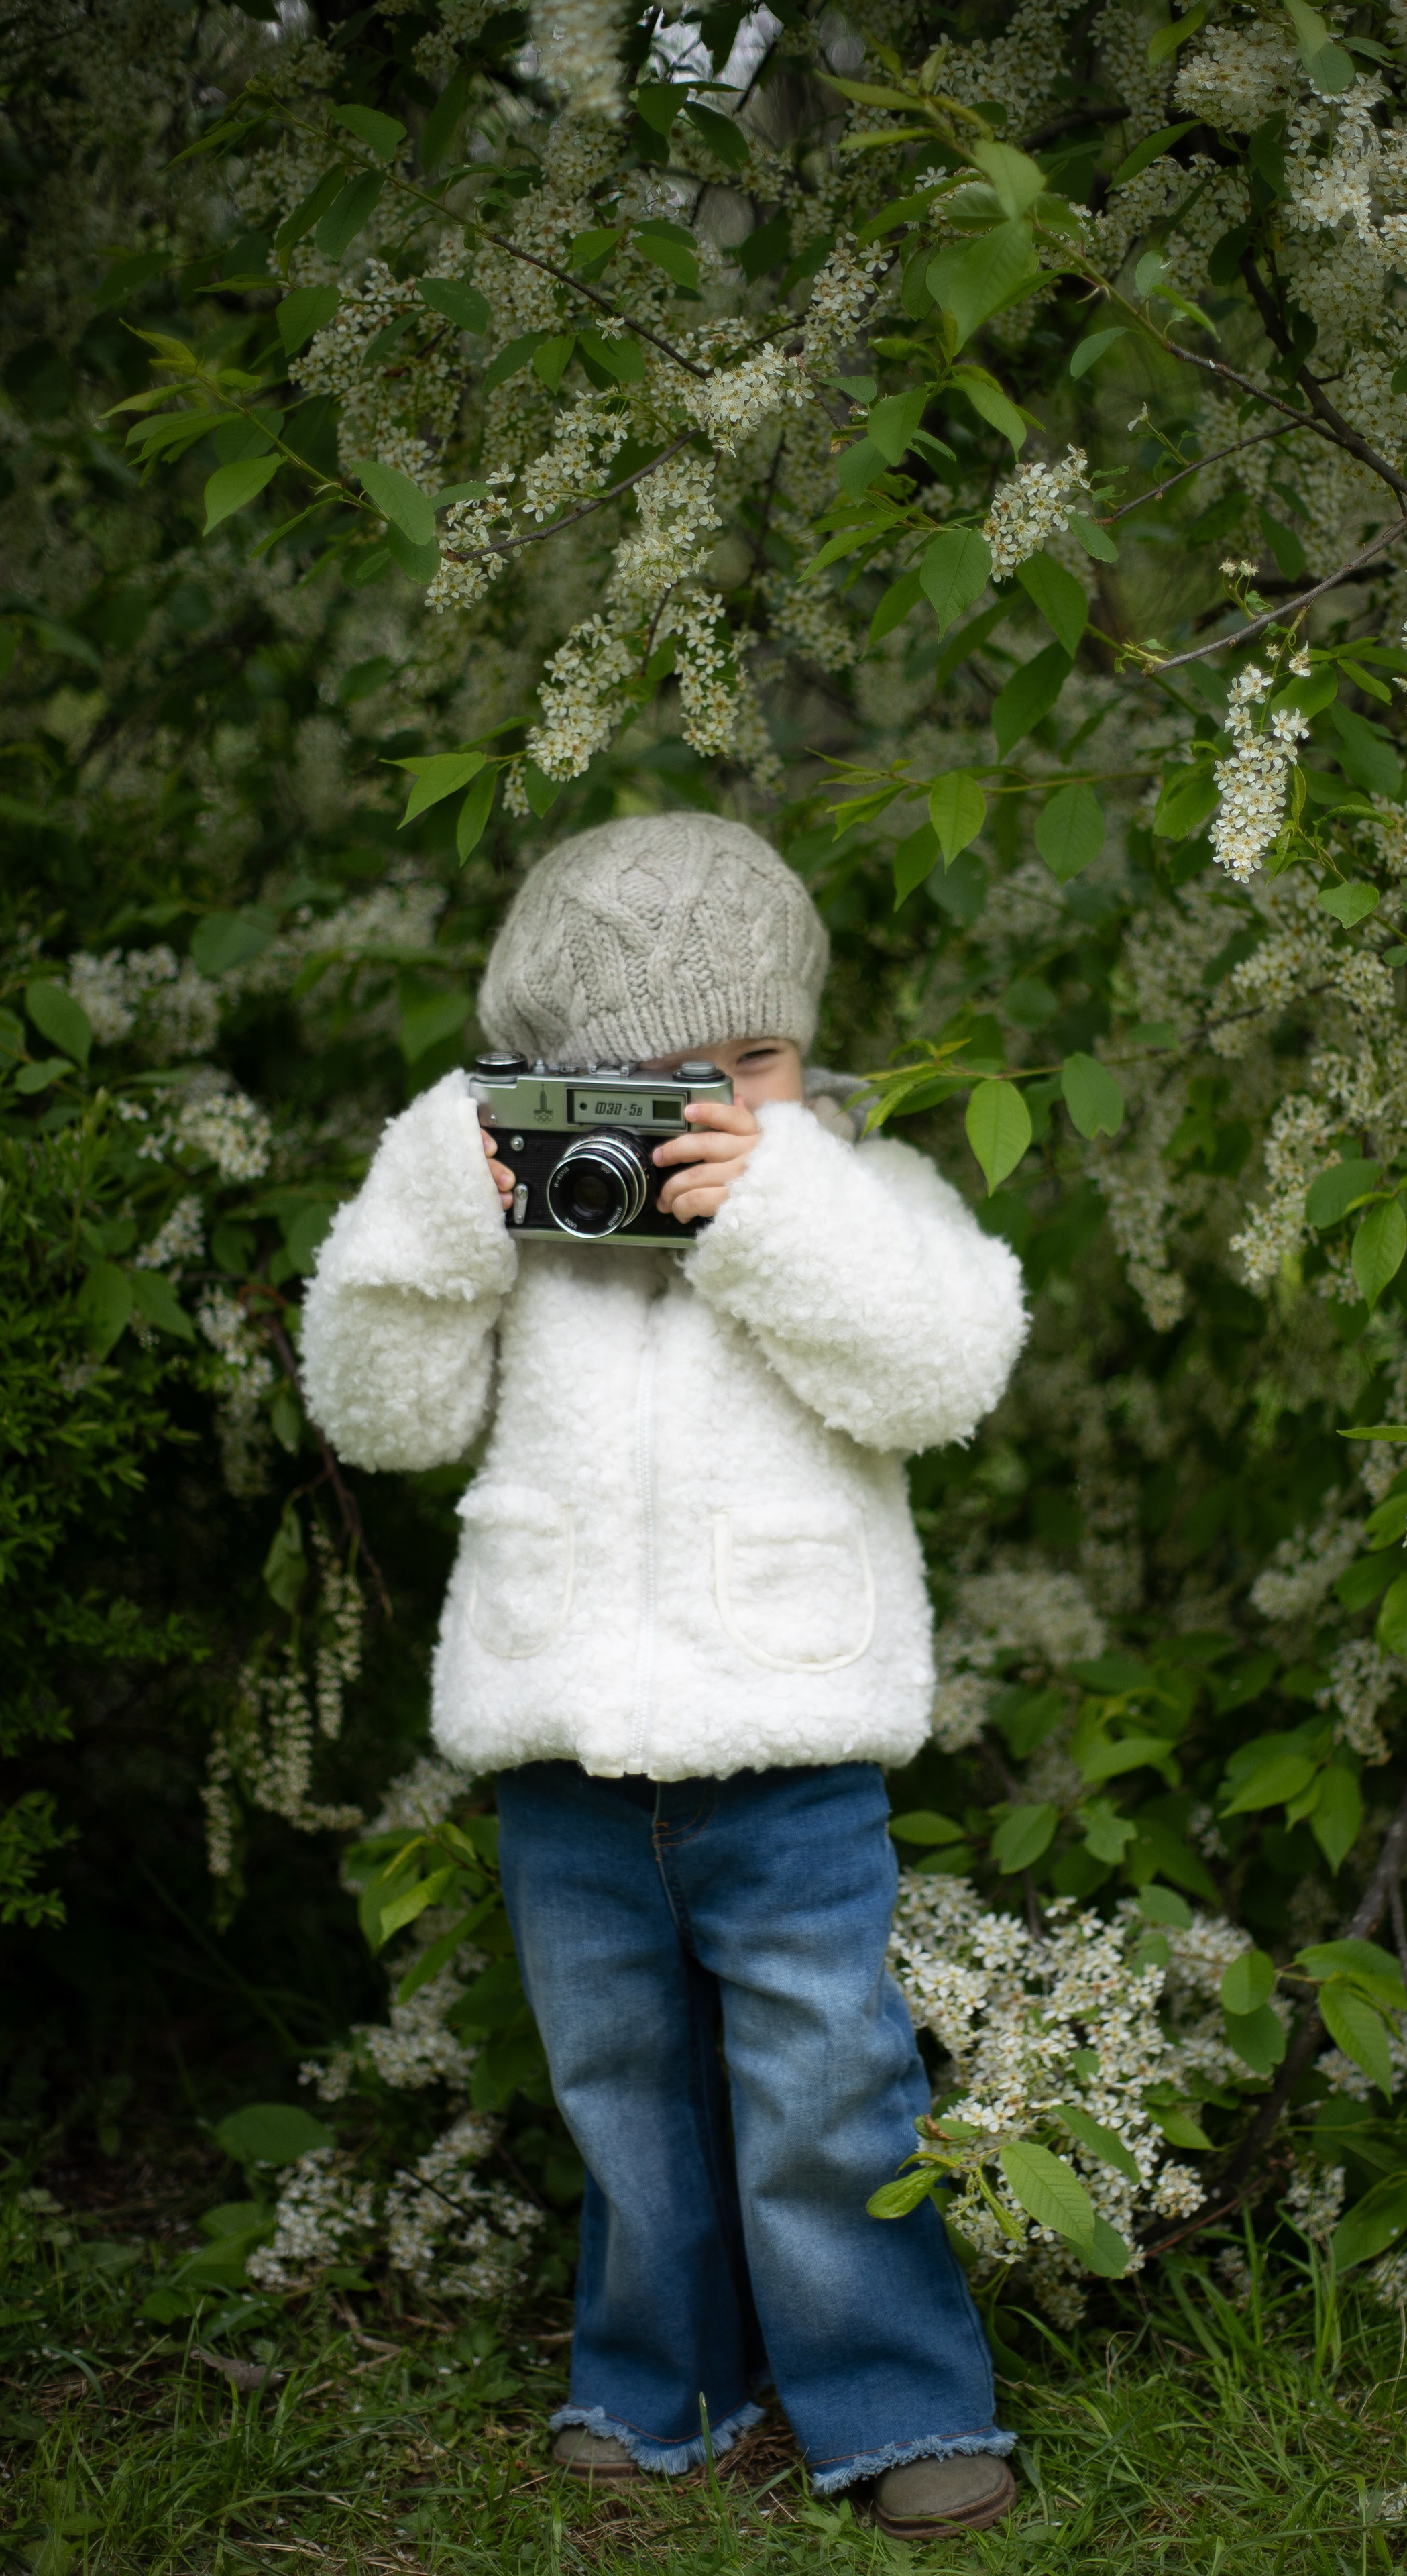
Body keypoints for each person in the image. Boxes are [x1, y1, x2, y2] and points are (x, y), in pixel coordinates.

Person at [300, 814, 1028, 2541]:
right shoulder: (508, 1219)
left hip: (786, 1734)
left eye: (747, 1064)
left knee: (832, 2087)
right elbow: (377, 1420)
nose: (701, 1110)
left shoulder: (850, 1185)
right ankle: (657, 2386)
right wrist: (429, 1217)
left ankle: (894, 2401)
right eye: (643, 1086)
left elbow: (940, 1370)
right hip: (560, 1737)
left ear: (802, 1048)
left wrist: (771, 1208)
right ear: (548, 1086)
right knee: (618, 2091)